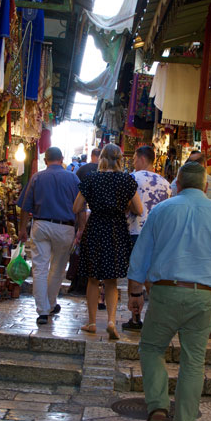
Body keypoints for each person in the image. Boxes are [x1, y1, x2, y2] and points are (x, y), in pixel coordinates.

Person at [127, 161, 211, 421]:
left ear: (178, 185)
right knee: (194, 361)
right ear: (206, 187)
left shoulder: (161, 210)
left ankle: (158, 404)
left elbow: (141, 254)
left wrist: (134, 293)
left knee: (151, 348)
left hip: (166, 292)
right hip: (204, 296)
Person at [73, 143, 143, 341]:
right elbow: (138, 209)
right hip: (117, 229)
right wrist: (122, 205)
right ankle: (111, 321)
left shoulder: (91, 178)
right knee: (112, 280)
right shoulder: (126, 180)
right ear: (120, 159)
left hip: (95, 228)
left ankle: (93, 322)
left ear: (101, 158)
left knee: (93, 278)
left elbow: (76, 207)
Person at [17, 146, 83, 325]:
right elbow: (82, 207)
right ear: (62, 159)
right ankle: (51, 303)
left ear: (45, 160)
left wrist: (22, 228)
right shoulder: (73, 178)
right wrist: (81, 229)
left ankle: (43, 311)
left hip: (41, 225)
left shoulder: (37, 177)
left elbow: (25, 205)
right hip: (65, 228)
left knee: (39, 268)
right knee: (57, 268)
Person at [122, 144, 172, 331]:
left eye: (134, 159)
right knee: (152, 277)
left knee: (135, 275)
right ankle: (157, 316)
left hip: (135, 231)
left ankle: (135, 318)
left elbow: (126, 206)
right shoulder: (166, 184)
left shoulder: (132, 179)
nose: (133, 163)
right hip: (158, 235)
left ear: (142, 158)